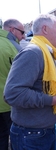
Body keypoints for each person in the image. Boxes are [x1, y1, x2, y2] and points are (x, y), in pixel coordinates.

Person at [3, 14, 56, 150]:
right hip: (30, 136)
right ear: (45, 29)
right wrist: (53, 100)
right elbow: (12, 94)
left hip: (41, 132)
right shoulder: (33, 53)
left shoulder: (46, 52)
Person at [0, 19, 25, 150]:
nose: (24, 36)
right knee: (16, 137)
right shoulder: (13, 47)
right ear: (12, 30)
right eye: (22, 32)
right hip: (8, 104)